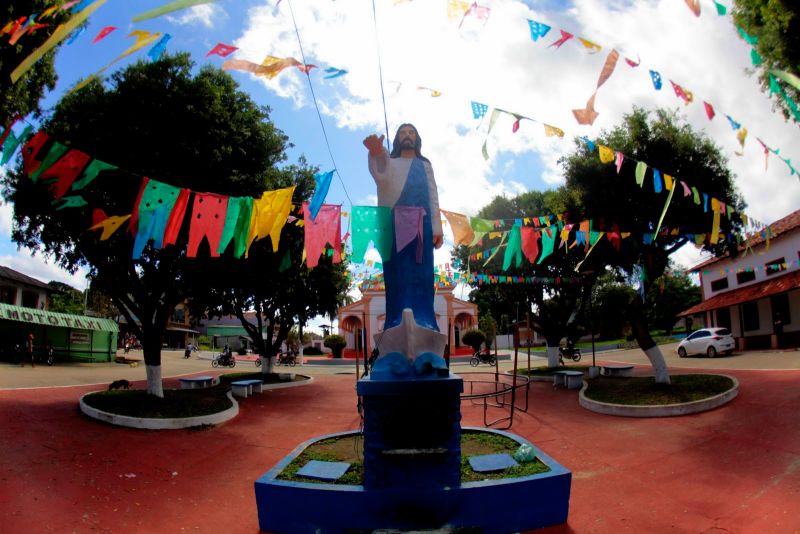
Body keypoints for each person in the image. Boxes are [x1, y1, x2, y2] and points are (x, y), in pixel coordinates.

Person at [363, 124, 443, 332]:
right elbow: (382, 177)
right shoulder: (392, 162)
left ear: (417, 138)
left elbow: (433, 197)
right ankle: (396, 319)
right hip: (395, 224)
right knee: (398, 273)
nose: (407, 136)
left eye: (411, 132)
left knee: (422, 273)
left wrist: (437, 227)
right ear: (397, 139)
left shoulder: (425, 165)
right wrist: (376, 153)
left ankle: (424, 320)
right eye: (403, 133)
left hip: (422, 225)